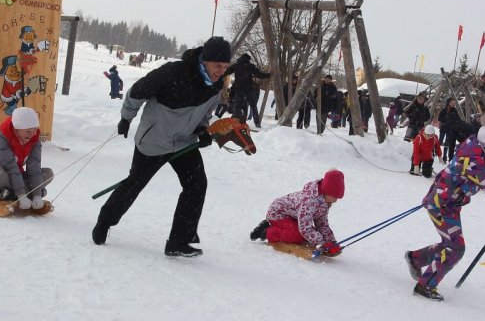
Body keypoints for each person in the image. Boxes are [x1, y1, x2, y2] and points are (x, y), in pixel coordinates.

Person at [91, 36, 231, 257]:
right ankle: (105, 221)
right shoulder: (174, 73)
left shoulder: (215, 86)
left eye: (225, 67)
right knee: (134, 184)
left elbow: (205, 113)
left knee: (196, 185)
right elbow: (137, 91)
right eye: (217, 66)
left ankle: (178, 241)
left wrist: (203, 130)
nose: (221, 71)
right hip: (154, 141)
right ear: (205, 60)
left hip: (184, 142)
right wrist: (126, 118)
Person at [405, 112, 485, 301]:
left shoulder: (474, 148)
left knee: (450, 245)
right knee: (455, 249)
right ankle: (424, 285)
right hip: (442, 206)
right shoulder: (474, 162)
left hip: (446, 204)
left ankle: (416, 258)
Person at [249, 170, 344, 257]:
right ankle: (267, 231)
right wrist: (323, 242)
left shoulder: (324, 202)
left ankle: (280, 229)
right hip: (277, 214)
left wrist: (331, 241)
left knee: (309, 235)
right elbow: (305, 229)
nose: (336, 200)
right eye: (334, 196)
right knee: (298, 235)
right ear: (326, 191)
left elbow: (322, 224)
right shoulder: (309, 201)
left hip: (293, 216)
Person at [0, 107, 53, 207]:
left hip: (16, 177)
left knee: (48, 173)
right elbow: (10, 167)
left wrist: (37, 195)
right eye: (28, 131)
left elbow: (34, 167)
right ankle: (23, 192)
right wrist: (21, 195)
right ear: (16, 129)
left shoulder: (34, 140)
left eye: (34, 130)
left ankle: (11, 193)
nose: (32, 135)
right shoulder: (0, 139)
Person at [225, 53, 269, 127]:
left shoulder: (236, 65)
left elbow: (227, 71)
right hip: (248, 89)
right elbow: (259, 75)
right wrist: (269, 75)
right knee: (253, 106)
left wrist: (219, 73)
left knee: (237, 106)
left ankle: (236, 121)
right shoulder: (250, 66)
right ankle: (257, 123)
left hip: (239, 89)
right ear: (248, 59)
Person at [441, 98, 464, 163]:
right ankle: (444, 157)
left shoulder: (455, 111)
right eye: (452, 103)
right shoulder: (444, 110)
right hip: (445, 129)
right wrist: (447, 121)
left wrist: (457, 124)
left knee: (451, 145)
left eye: (454, 103)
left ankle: (450, 159)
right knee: (444, 143)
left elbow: (458, 119)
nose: (453, 104)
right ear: (448, 103)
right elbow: (440, 118)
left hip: (453, 130)